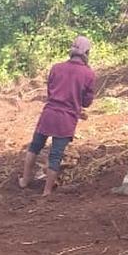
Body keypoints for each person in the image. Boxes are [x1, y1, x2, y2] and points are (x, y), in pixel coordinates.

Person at [18, 36, 97, 196]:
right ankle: (47, 191)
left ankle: (25, 180)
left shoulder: (56, 68)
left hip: (49, 114)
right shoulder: (88, 74)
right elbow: (87, 102)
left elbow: (50, 92)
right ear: (87, 52)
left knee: (35, 146)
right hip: (66, 120)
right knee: (56, 155)